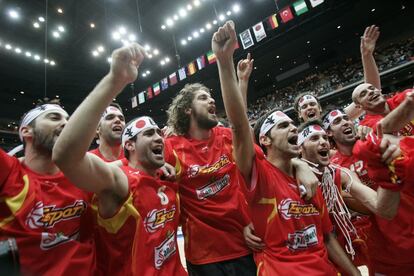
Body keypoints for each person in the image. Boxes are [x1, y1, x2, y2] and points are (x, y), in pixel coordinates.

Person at [214, 20, 360, 276]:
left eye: (293, 124)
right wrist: (225, 64)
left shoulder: (311, 180)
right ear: (265, 141)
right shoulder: (257, 173)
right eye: (283, 126)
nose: (293, 128)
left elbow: (326, 238)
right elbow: (238, 126)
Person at [52, 43, 186, 276]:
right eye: (148, 133)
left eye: (158, 133)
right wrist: (115, 80)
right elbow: (66, 156)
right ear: (130, 145)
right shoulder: (118, 178)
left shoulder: (165, 175)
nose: (158, 138)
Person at [0, 103, 95, 275]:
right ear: (26, 131)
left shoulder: (84, 177)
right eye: (54, 117)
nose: (66, 123)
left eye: (68, 119)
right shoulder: (8, 172)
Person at [298, 119, 401, 274]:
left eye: (325, 138)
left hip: (344, 246)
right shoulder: (289, 176)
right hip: (307, 255)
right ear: (299, 148)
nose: (323, 142)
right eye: (314, 138)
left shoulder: (340, 173)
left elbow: (381, 207)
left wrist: (389, 173)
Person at [323, 108, 414, 275]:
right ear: (328, 132)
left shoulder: (373, 140)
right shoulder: (333, 169)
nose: (345, 122)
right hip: (383, 249)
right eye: (337, 121)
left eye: (345, 118)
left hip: (408, 220)